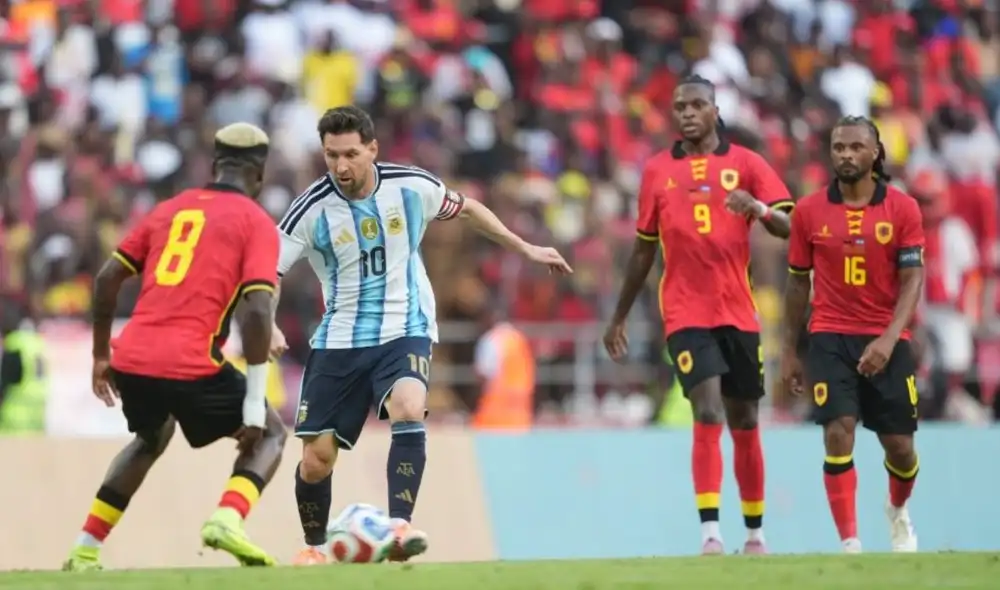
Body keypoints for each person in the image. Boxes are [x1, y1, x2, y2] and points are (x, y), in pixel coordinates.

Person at [272, 105, 572, 565]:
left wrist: (526, 247)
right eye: (331, 155)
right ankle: (313, 547)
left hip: (405, 325)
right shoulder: (311, 209)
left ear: (372, 148)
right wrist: (269, 322)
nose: (341, 166)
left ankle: (398, 526)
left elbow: (469, 209)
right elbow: (267, 272)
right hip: (339, 339)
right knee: (317, 459)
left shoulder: (412, 186)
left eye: (351, 153)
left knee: (409, 405)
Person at [62, 123, 288, 571]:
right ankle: (228, 518)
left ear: (214, 165)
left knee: (151, 435)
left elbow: (108, 277)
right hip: (191, 362)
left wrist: (100, 356)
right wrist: (252, 409)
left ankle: (85, 548)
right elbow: (259, 311)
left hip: (133, 357)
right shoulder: (256, 222)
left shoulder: (169, 209)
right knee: (273, 433)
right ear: (259, 175)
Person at [603, 75, 794, 555]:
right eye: (679, 106)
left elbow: (792, 227)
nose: (686, 113)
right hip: (686, 312)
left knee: (745, 420)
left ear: (715, 110)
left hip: (739, 311)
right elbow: (643, 251)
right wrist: (619, 315)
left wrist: (757, 208)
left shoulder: (747, 164)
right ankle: (711, 532)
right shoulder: (656, 172)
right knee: (706, 409)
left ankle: (755, 532)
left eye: (696, 105)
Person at [779, 116, 924, 554]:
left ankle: (897, 511)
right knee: (838, 431)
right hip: (829, 336)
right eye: (839, 147)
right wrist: (790, 349)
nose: (846, 154)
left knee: (899, 448)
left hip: (887, 338)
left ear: (876, 152)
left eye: (856, 147)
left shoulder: (902, 208)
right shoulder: (808, 211)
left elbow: (913, 279)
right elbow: (798, 283)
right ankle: (850, 545)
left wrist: (887, 338)